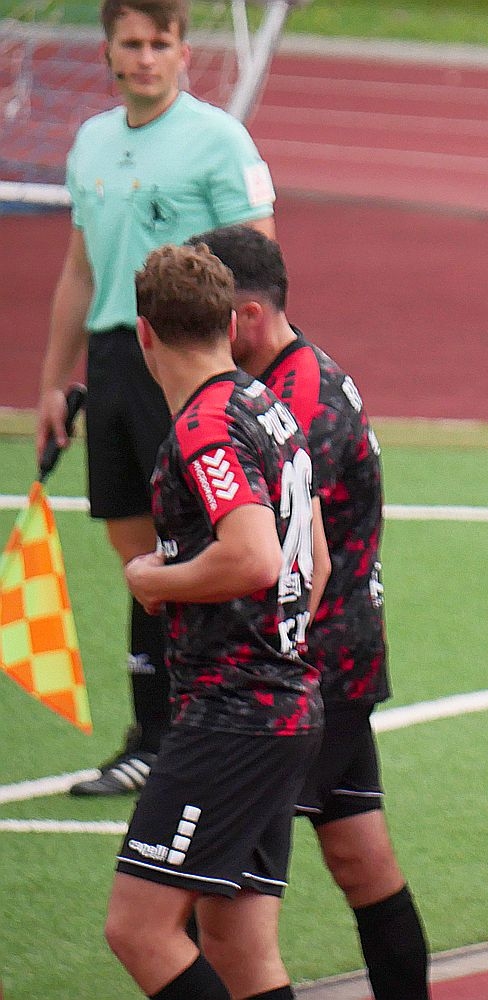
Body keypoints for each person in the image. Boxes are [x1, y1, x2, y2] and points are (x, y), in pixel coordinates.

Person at [39, 0, 277, 797]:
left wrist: (251, 375)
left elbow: (259, 264)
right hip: (116, 360)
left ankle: (199, 730)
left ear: (182, 51)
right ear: (108, 52)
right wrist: (53, 381)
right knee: (139, 559)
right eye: (131, 44)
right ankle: (153, 734)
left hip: (186, 363)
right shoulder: (91, 142)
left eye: (160, 44)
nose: (145, 58)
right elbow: (80, 269)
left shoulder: (219, 140)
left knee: (195, 550)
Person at [188, 224, 431, 1000]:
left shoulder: (295, 404)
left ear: (249, 317)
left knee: (204, 897)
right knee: (361, 859)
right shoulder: (299, 378)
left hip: (303, 676)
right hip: (339, 662)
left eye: (209, 316)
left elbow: (298, 560)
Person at [106, 243, 320, 1000]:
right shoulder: (270, 408)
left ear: (144, 333)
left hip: (232, 715)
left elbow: (255, 557)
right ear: (231, 325)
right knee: (237, 944)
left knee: (139, 929)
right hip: (284, 705)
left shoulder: (207, 427)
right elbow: (314, 560)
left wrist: (154, 580)